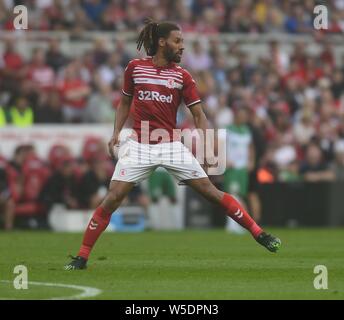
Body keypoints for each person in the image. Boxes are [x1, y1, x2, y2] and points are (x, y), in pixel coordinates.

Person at [64, 19, 281, 270]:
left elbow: (198, 115)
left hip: (170, 145)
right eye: (178, 42)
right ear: (162, 42)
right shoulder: (134, 68)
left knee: (210, 192)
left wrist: (209, 147)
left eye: (183, 43)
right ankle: (82, 257)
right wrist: (116, 132)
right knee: (113, 198)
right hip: (140, 144)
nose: (182, 47)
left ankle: (259, 234)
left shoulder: (182, 76)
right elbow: (124, 103)